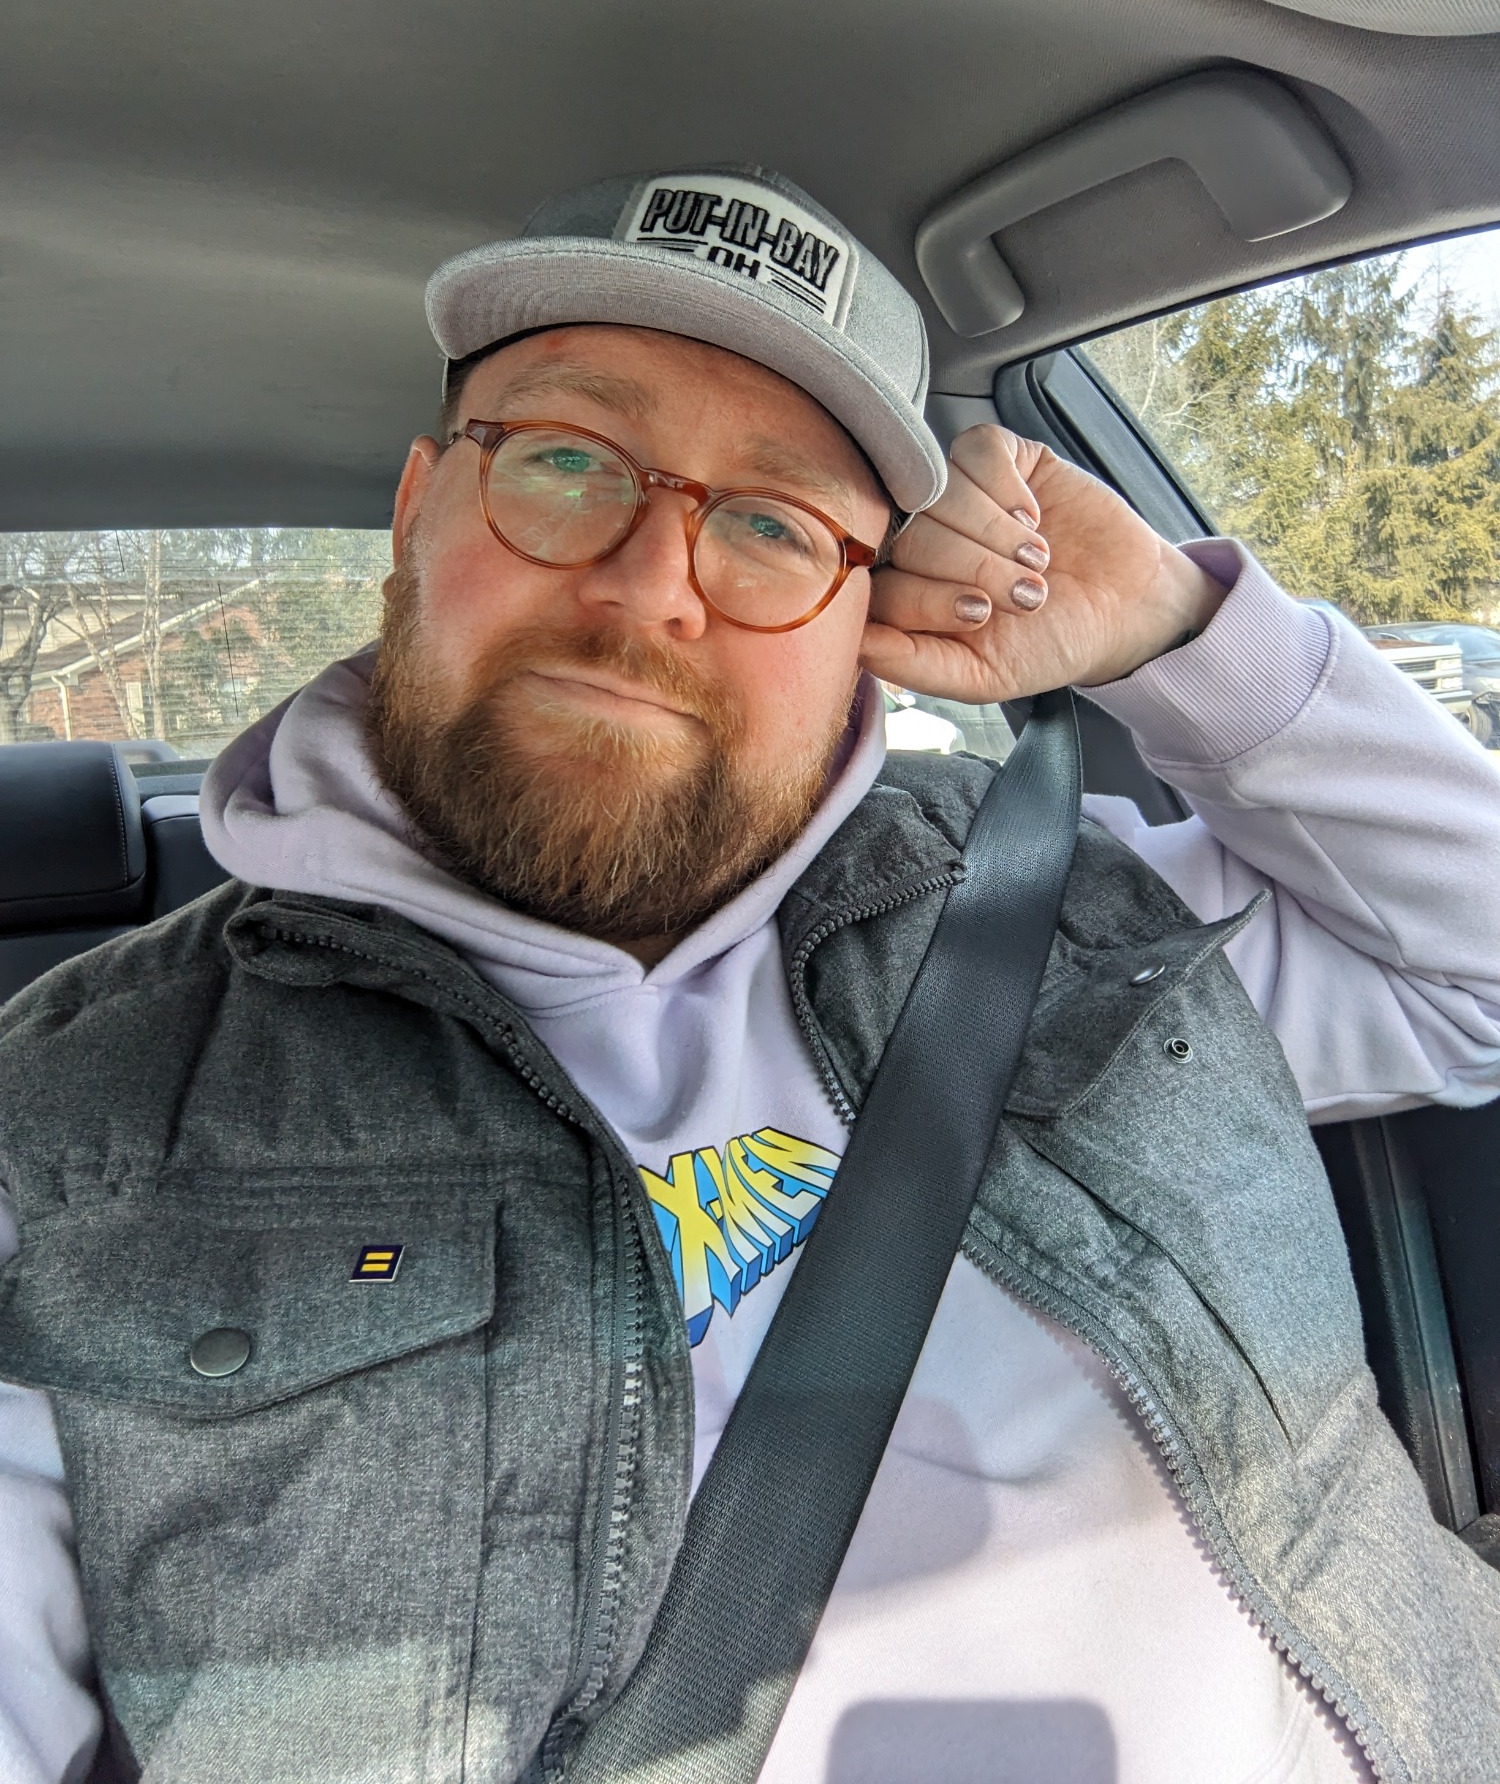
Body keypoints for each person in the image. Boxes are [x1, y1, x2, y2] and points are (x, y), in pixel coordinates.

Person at [1, 165, 1498, 1784]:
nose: (652, 588)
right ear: (418, 508)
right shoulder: (71, 1135)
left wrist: (1179, 632)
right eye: (567, 462)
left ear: (864, 614)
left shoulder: (1069, 912)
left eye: (776, 524)